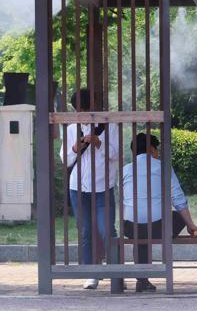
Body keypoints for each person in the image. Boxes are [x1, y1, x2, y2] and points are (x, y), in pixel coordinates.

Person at [122, 133, 197, 293]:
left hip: (130, 227)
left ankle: (142, 280)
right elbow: (178, 198)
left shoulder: (125, 169)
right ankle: (144, 278)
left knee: (140, 235)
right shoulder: (163, 167)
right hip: (158, 228)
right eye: (156, 149)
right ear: (152, 149)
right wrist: (191, 225)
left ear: (133, 152)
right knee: (176, 217)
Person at [59, 88, 119, 290]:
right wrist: (75, 148)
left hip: (103, 186)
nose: (83, 114)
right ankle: (92, 273)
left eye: (86, 109)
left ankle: (116, 272)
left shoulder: (109, 126)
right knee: (86, 230)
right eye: (80, 110)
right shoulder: (70, 129)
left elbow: (115, 155)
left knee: (106, 229)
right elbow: (65, 160)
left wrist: (99, 142)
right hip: (77, 187)